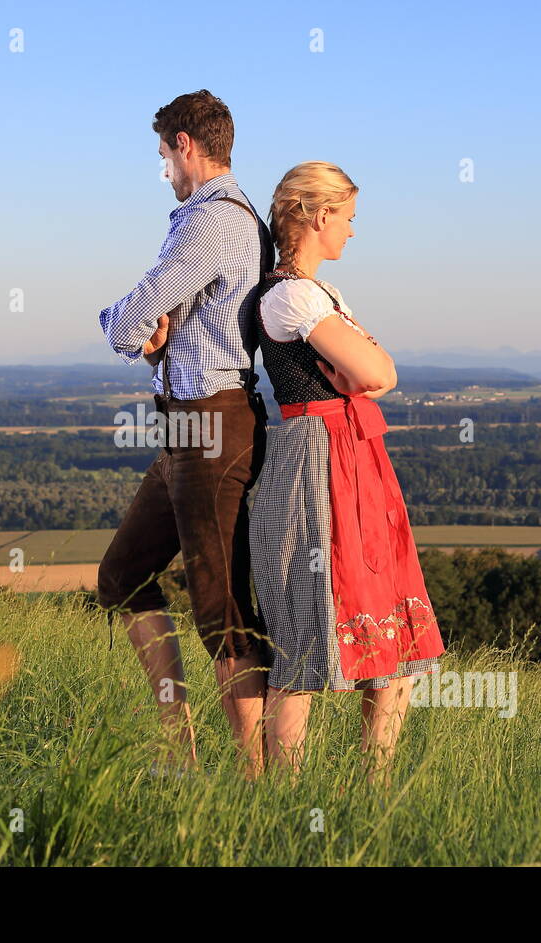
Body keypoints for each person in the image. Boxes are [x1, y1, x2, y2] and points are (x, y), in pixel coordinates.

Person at [96, 90, 274, 777]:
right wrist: (157, 340)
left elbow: (130, 314)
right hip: (188, 426)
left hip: (212, 427)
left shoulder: (208, 223)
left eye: (164, 155)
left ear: (185, 145)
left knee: (219, 608)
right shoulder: (232, 219)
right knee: (121, 574)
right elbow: (174, 322)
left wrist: (126, 325)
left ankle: (258, 777)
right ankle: (180, 750)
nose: (164, 169)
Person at [249, 161, 446, 782]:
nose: (353, 233)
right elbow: (380, 374)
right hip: (315, 461)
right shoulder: (292, 295)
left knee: (389, 628)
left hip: (352, 458)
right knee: (304, 631)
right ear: (316, 215)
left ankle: (374, 789)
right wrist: (359, 377)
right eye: (349, 218)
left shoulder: (316, 294)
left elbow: (377, 372)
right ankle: (280, 797)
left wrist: (362, 376)